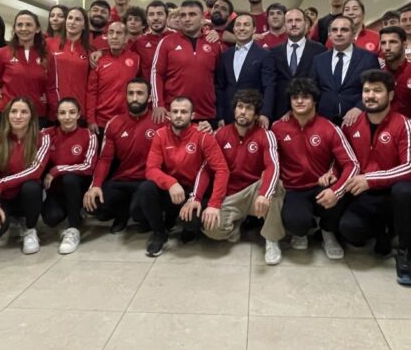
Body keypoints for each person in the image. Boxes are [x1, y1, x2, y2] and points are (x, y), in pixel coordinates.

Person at [339, 70, 411, 286]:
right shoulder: (350, 124)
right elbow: (340, 157)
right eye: (366, 91)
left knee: (406, 190)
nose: (371, 95)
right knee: (350, 230)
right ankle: (382, 233)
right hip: (365, 193)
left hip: (395, 192)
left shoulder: (407, 125)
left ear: (391, 95)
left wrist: (371, 178)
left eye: (377, 91)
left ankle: (404, 251)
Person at [271, 77, 358, 260]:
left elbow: (352, 164)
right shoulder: (278, 127)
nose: (300, 101)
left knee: (343, 192)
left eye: (305, 97)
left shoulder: (329, 128)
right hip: (293, 190)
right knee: (297, 223)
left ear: (315, 100)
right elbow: (271, 161)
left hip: (321, 186)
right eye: (295, 97)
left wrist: (337, 190)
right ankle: (303, 229)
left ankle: (328, 232)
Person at [135, 97, 229, 257]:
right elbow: (151, 169)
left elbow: (222, 170)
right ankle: (159, 233)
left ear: (193, 115)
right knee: (145, 189)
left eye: (184, 112)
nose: (179, 115)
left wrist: (214, 204)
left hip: (195, 192)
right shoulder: (160, 135)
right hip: (171, 190)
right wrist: (171, 183)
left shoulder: (203, 136)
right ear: (169, 115)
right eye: (175, 112)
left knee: (191, 221)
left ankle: (188, 228)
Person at [204, 89, 285, 265]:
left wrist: (265, 193)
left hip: (255, 191)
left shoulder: (266, 135)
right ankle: (236, 223)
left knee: (275, 185)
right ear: (234, 110)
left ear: (256, 115)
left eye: (249, 108)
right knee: (212, 229)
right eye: (240, 107)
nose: (243, 111)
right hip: (231, 194)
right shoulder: (220, 134)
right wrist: (212, 203)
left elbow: (273, 166)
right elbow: (207, 168)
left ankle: (271, 240)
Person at [84, 78, 162, 232]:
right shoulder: (114, 123)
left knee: (138, 210)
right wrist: (96, 186)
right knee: (93, 205)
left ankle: (141, 215)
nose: (134, 98)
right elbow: (105, 159)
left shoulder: (160, 121)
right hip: (122, 179)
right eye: (131, 93)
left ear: (149, 97)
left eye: (140, 93)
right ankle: (122, 214)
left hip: (148, 182)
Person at [0, 97, 50, 255]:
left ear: (32, 116)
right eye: (14, 111)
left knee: (32, 185)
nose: (18, 116)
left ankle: (30, 229)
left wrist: (1, 184)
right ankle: (11, 219)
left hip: (27, 196)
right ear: (7, 115)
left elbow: (35, 171)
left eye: (24, 112)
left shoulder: (42, 138)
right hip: (3, 197)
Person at [150, 0, 223, 125]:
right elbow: (156, 74)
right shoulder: (167, 42)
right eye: (183, 15)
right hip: (174, 113)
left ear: (203, 18)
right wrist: (158, 104)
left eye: (192, 14)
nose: (187, 19)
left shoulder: (214, 44)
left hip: (206, 114)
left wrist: (220, 113)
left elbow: (219, 81)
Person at [42, 97, 98, 254]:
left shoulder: (88, 135)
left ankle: (74, 228)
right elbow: (25, 134)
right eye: (62, 113)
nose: (67, 117)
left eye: (72, 112)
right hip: (56, 190)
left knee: (70, 178)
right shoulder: (46, 134)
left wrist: (57, 170)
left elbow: (88, 167)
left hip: (78, 186)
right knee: (51, 219)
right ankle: (73, 212)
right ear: (57, 116)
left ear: (79, 114)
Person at [0, 11, 50, 124]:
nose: (23, 28)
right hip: (6, 115)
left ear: (37, 29)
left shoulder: (47, 56)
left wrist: (54, 107)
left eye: (28, 25)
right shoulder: (1, 53)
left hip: (36, 115)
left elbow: (52, 87)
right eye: (19, 25)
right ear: (14, 28)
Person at [311, 15, 380, 126]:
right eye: (334, 30)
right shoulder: (318, 60)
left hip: (359, 120)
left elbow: (377, 88)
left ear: (353, 34)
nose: (339, 33)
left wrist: (359, 108)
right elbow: (313, 89)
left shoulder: (368, 58)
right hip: (325, 122)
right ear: (329, 34)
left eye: (344, 30)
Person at [262, 8, 325, 120]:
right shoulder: (272, 52)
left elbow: (321, 84)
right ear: (284, 25)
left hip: (310, 114)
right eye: (290, 21)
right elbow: (270, 84)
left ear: (305, 24)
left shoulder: (320, 50)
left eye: (298, 20)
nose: (294, 24)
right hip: (279, 113)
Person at [215, 13, 273, 127]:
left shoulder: (265, 55)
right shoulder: (225, 55)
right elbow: (220, 87)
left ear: (254, 29)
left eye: (246, 25)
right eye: (238, 25)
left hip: (254, 115)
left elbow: (269, 86)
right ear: (233, 29)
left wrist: (265, 113)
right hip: (228, 115)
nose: (241, 28)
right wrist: (220, 115)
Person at [86, 21, 140, 133]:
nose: (114, 36)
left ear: (126, 38)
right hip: (101, 121)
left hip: (126, 120)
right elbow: (91, 92)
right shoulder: (98, 60)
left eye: (119, 33)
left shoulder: (135, 59)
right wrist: (91, 120)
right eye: (111, 32)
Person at [46, 7, 91, 124]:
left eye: (77, 19)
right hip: (54, 109)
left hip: (78, 111)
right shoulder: (49, 44)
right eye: (70, 18)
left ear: (84, 25)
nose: (72, 22)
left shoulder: (90, 51)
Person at [135, 0, 170, 76]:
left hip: (172, 87)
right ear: (147, 19)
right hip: (148, 87)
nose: (155, 18)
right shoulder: (140, 42)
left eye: (159, 14)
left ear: (167, 17)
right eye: (151, 14)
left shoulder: (178, 37)